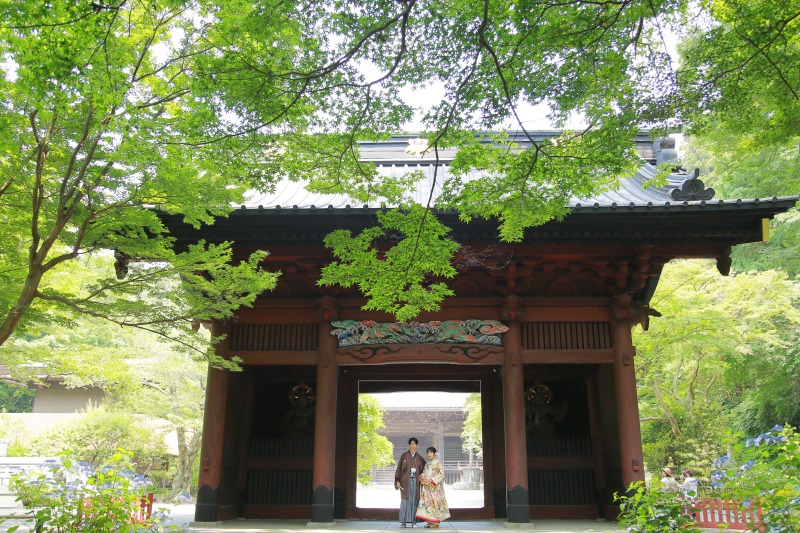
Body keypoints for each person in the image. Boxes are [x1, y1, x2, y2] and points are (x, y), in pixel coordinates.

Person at [415, 447, 451, 529]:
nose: (429, 454)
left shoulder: (438, 463)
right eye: (428, 453)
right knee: (428, 504)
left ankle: (436, 522)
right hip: (427, 488)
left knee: (435, 504)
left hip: (435, 488)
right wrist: (423, 477)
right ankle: (431, 521)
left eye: (431, 452)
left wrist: (431, 480)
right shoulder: (427, 464)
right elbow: (424, 473)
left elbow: (441, 474)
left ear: (434, 453)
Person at [395, 437, 426, 528]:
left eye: (414, 444)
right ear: (409, 445)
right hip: (405, 481)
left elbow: (425, 468)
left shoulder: (419, 457)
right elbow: (399, 468)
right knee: (405, 500)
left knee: (414, 500)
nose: (413, 445)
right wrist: (397, 480)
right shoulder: (404, 456)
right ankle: (403, 521)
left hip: (416, 482)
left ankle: (413, 521)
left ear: (417, 445)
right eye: (411, 444)